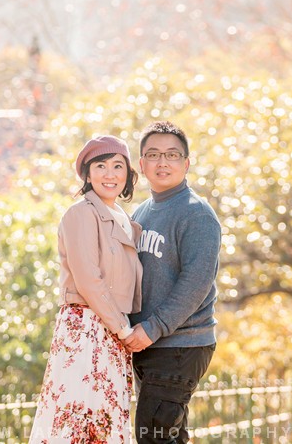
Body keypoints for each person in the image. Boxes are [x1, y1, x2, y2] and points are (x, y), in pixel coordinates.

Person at [29, 135, 143, 443]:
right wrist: (123, 329)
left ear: (128, 174)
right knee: (80, 424)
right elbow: (88, 280)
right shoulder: (80, 213)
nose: (110, 174)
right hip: (87, 330)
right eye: (101, 166)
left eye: (118, 166)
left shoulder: (126, 220)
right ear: (88, 174)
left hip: (114, 333)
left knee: (106, 424)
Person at [123, 121, 221, 443]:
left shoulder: (196, 214)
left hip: (180, 344)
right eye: (153, 154)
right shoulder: (142, 213)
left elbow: (196, 282)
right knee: (169, 437)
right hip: (149, 344)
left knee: (153, 436)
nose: (162, 162)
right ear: (141, 165)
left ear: (186, 163)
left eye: (171, 155)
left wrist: (154, 327)